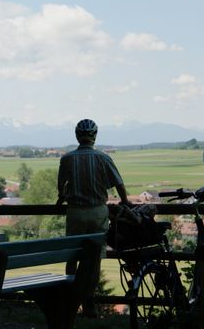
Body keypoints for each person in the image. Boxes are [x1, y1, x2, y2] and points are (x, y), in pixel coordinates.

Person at [56, 118, 131, 318]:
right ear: (95, 136)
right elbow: (119, 184)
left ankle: (70, 300)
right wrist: (125, 200)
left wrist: (61, 198)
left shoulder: (67, 159)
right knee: (95, 259)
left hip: (75, 212)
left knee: (72, 256)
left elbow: (61, 186)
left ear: (77, 136)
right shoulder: (103, 158)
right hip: (98, 211)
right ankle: (90, 303)